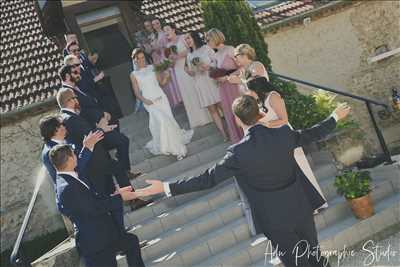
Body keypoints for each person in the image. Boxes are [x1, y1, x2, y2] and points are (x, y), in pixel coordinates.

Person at [135, 96, 351, 267]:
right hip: (300, 207)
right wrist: (334, 117)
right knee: (315, 257)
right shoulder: (283, 133)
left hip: (273, 219)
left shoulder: (238, 153)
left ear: (237, 120)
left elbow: (207, 179)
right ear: (260, 114)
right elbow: (312, 134)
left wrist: (165, 186)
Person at [49, 144, 145, 267]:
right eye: (74, 153)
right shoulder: (67, 187)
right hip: (95, 242)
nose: (76, 155)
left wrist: (115, 195)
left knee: (131, 242)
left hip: (103, 234)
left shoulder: (69, 178)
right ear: (69, 159)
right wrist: (120, 197)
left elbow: (90, 201)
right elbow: (93, 208)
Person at [56, 88, 149, 210]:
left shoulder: (67, 116)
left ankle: (130, 201)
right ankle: (132, 200)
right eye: (75, 97)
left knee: (113, 177)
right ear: (69, 100)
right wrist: (101, 128)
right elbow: (90, 135)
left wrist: (101, 128)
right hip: (94, 161)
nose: (77, 100)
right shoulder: (70, 118)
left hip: (95, 158)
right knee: (115, 173)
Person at [247, 77, 328, 211]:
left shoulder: (273, 97)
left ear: (257, 88)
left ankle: (314, 204)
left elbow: (284, 119)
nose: (250, 93)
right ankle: (305, 205)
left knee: (301, 169)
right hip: (276, 139)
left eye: (250, 90)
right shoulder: (262, 100)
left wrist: (265, 124)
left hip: (285, 136)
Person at [59, 63, 142, 180]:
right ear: (67, 76)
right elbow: (82, 112)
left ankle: (124, 172)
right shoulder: (66, 93)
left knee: (120, 142)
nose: (78, 74)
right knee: (122, 141)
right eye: (75, 72)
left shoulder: (76, 86)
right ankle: (124, 172)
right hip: (93, 130)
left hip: (99, 125)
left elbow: (91, 103)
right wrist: (100, 118)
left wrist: (103, 114)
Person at [130, 48, 193, 160]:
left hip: (161, 98)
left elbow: (162, 83)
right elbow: (136, 93)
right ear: (134, 60)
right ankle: (177, 150)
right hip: (149, 102)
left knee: (168, 120)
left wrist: (167, 76)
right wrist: (145, 101)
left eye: (143, 58)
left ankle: (171, 142)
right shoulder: (134, 74)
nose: (141, 60)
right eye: (138, 59)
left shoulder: (152, 67)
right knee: (163, 121)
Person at [164, 23, 211, 128]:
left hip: (188, 66)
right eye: (164, 31)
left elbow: (190, 50)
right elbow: (170, 63)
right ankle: (196, 119)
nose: (166, 32)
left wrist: (178, 56)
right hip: (178, 71)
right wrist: (171, 60)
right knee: (187, 93)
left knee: (195, 89)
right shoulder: (167, 46)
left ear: (173, 29)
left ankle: (207, 115)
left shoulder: (183, 38)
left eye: (167, 29)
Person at [185, 31, 228, 141]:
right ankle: (223, 134)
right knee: (212, 110)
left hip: (212, 79)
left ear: (194, 38)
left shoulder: (206, 48)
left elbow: (216, 61)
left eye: (188, 38)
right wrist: (192, 71)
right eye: (186, 39)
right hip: (200, 83)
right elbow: (192, 72)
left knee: (222, 106)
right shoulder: (189, 55)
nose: (187, 41)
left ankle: (233, 129)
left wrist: (207, 66)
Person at [39, 114, 103, 185]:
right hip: (77, 187)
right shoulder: (51, 152)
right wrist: (87, 148)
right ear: (55, 131)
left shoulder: (64, 138)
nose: (64, 127)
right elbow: (74, 168)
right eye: (61, 125)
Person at [206, 28, 243, 143]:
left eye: (208, 40)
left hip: (234, 86)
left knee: (240, 112)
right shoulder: (216, 56)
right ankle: (238, 141)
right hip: (223, 89)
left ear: (215, 38)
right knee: (229, 114)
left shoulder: (230, 49)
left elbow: (242, 67)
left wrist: (227, 77)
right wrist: (216, 78)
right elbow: (218, 73)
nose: (207, 43)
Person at [150, 18, 181, 108]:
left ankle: (179, 97)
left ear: (160, 23)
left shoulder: (165, 32)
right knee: (167, 79)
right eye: (154, 24)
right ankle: (174, 99)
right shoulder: (154, 36)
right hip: (161, 58)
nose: (156, 26)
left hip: (168, 55)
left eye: (157, 23)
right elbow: (157, 50)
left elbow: (170, 44)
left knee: (173, 76)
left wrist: (161, 47)